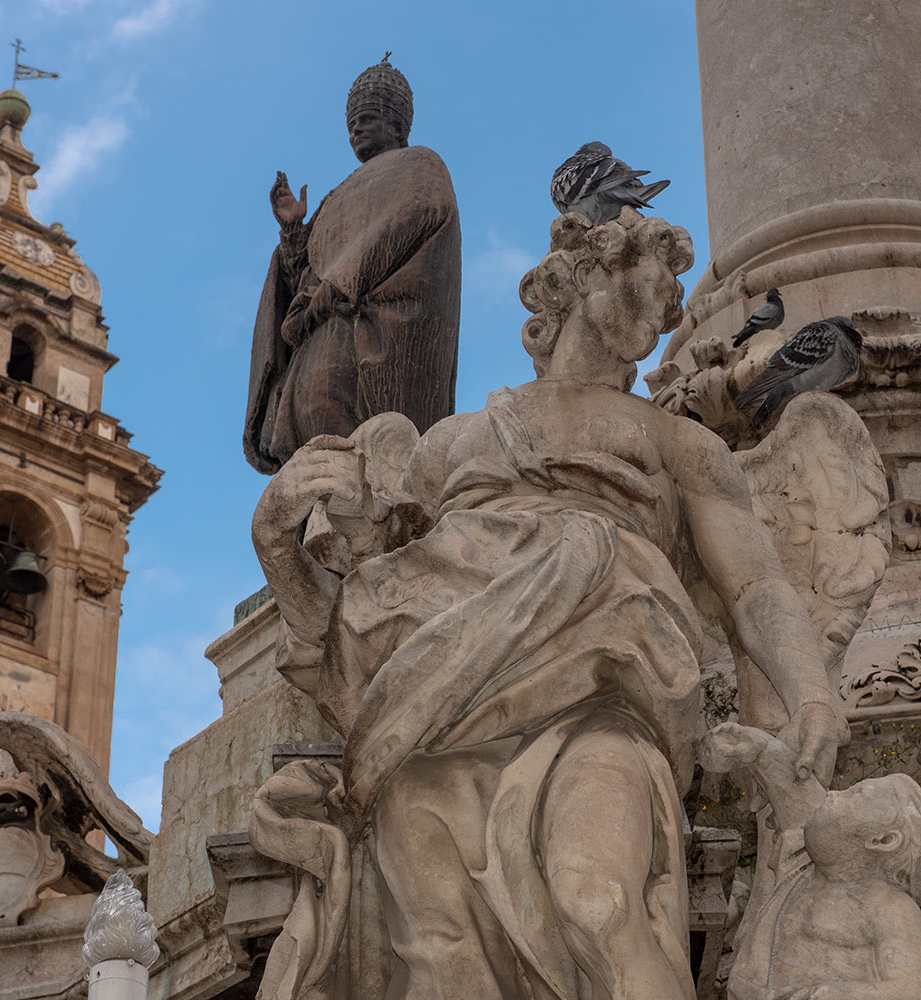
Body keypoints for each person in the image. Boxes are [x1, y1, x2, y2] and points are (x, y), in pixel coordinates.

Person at [250, 209, 846, 1000]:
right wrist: (275, 538)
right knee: (441, 952)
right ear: (576, 279)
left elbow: (756, 584)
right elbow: (354, 613)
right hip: (440, 713)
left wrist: (810, 690)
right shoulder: (454, 442)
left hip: (606, 697)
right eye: (639, 270)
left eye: (670, 289)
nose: (663, 296)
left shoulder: (678, 445)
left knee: (596, 896)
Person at [243, 56, 461, 474]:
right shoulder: (332, 199)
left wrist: (342, 283)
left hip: (366, 328)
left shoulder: (420, 164)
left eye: (367, 119)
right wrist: (292, 232)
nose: (356, 130)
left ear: (396, 126)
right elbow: (302, 274)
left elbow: (419, 213)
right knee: (307, 426)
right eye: (351, 125)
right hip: (318, 330)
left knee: (333, 410)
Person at [701, 723, 921, 1000]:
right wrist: (760, 750)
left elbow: (911, 987)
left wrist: (845, 993)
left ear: (883, 840)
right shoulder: (800, 869)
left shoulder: (890, 908)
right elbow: (796, 802)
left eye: (856, 795)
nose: (832, 793)